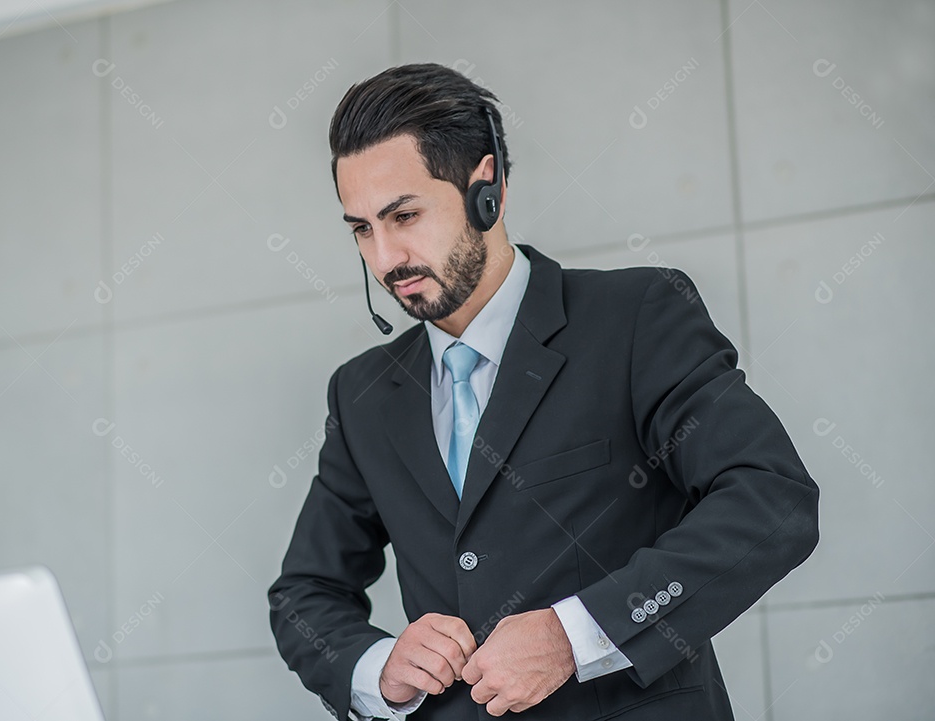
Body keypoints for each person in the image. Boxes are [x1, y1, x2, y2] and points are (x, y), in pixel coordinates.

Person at [268, 62, 819, 721]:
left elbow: (772, 500)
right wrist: (376, 665)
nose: (386, 258)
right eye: (362, 228)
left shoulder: (636, 317)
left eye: (405, 215)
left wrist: (577, 632)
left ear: (488, 190)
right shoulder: (361, 394)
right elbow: (305, 592)